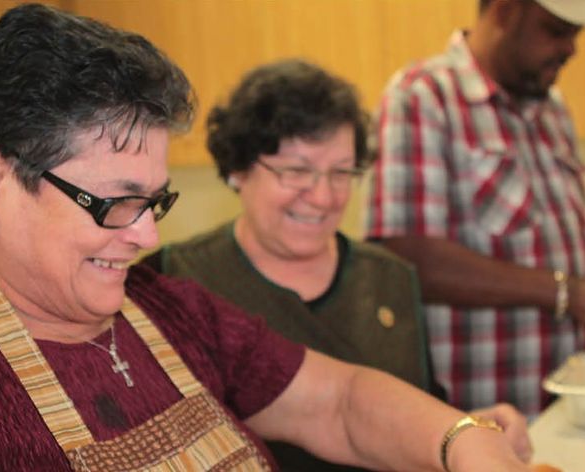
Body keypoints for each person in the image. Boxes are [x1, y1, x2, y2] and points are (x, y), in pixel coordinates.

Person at [0, 5, 532, 471]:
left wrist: (462, 441)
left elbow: (343, 404)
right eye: (114, 203)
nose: (146, 236)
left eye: (156, 201)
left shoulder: (173, 315)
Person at [364, 0, 585, 415]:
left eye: (576, 35)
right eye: (556, 30)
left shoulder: (552, 108)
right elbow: (406, 255)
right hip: (473, 415)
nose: (571, 49)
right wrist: (568, 291)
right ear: (503, 11)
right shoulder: (422, 97)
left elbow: (555, 237)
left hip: (559, 407)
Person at [141, 59, 439, 472]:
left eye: (341, 173)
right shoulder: (172, 281)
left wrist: (470, 429)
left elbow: (425, 407)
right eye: (297, 171)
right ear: (238, 170)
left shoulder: (390, 278)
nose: (322, 197)